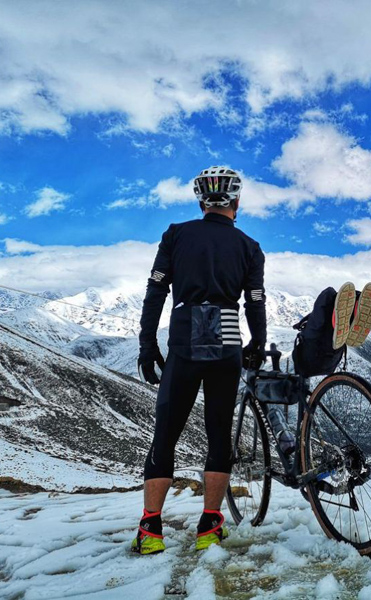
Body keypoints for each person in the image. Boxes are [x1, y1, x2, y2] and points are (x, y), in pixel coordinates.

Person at [132, 166, 267, 555]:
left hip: (184, 342)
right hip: (226, 346)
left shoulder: (176, 235)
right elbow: (254, 301)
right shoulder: (250, 246)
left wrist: (147, 344)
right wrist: (257, 342)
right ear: (236, 202)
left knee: (166, 432)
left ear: (201, 201)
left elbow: (155, 292)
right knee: (219, 434)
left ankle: (150, 530)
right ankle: (210, 525)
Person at [292, 281, 371, 378]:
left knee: (327, 297)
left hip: (313, 360)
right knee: (328, 297)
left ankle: (338, 316)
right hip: (331, 357)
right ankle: (351, 309)